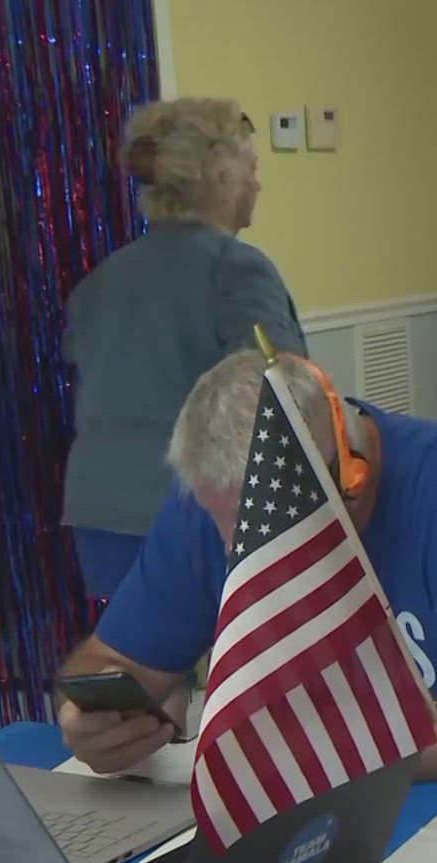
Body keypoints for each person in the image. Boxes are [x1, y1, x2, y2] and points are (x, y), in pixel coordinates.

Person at [56, 353, 437, 778]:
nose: (252, 562)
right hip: (305, 809)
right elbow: (109, 660)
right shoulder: (205, 499)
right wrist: (96, 718)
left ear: (353, 477)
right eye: (233, 540)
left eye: (274, 539)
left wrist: (302, 745)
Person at [63, 98, 306, 600]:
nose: (257, 183)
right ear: (219, 175)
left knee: (141, 666)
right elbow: (282, 392)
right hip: (196, 516)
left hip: (99, 514)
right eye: (251, 167)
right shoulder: (237, 267)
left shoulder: (100, 281)